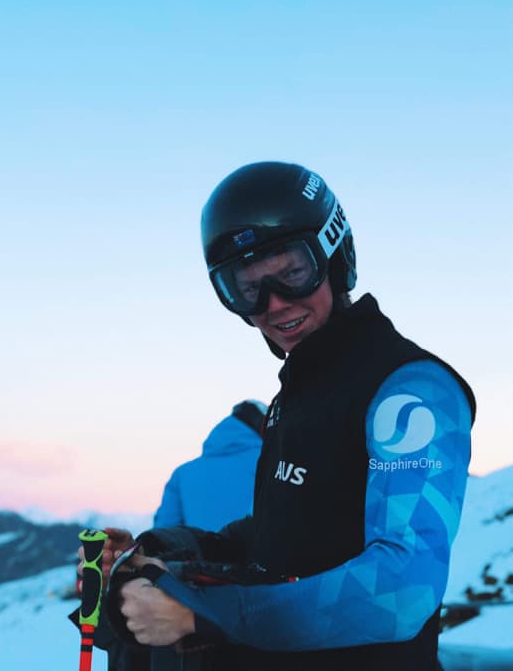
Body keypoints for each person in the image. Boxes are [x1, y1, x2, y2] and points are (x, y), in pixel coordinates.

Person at [80, 161, 475, 670]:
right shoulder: (300, 394)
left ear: (334, 254)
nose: (273, 304)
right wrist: (162, 552)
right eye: (245, 288)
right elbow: (281, 538)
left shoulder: (409, 391)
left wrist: (205, 616)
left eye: (292, 273)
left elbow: (402, 591)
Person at [154, 400, 266, 529]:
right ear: (262, 426)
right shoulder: (270, 464)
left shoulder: (183, 473)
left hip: (200, 548)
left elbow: (165, 533)